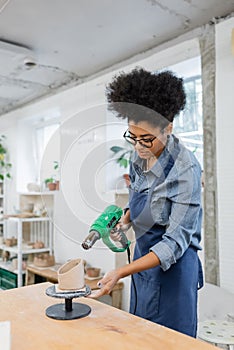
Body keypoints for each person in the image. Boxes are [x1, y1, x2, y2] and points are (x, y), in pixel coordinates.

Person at [89, 67, 203, 337]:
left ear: (168, 128)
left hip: (174, 270)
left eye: (147, 139)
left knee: (170, 341)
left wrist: (121, 272)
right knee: (140, 336)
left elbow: (174, 243)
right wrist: (126, 221)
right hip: (143, 262)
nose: (138, 146)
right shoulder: (139, 156)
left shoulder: (185, 171)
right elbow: (143, 199)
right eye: (133, 137)